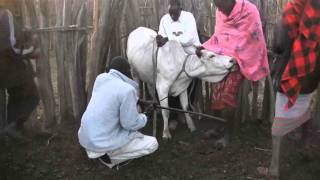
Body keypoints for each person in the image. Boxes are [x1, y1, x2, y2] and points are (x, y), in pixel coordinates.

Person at [258, 0, 320, 178]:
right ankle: (305, 147)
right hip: (312, 78)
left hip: (292, 75)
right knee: (307, 109)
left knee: (279, 125)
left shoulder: (293, 10)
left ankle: (274, 168)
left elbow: (278, 44)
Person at [199, 0, 270, 147]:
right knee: (216, 95)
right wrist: (204, 48)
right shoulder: (220, 12)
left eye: (220, 5)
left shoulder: (249, 11)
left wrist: (238, 57)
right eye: (216, 6)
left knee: (228, 98)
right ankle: (217, 128)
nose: (219, 9)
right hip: (222, 61)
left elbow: (253, 38)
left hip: (239, 62)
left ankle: (227, 134)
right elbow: (219, 37)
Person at [78, 56, 158, 169]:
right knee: (152, 143)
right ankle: (110, 159)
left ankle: (96, 153)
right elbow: (130, 124)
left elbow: (114, 97)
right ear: (127, 72)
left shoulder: (100, 79)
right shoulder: (127, 90)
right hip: (100, 142)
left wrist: (140, 101)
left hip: (86, 138)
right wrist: (146, 116)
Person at [0, 5, 39, 140]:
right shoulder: (5, 13)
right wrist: (31, 49)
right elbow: (10, 47)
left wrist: (21, 32)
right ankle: (12, 127)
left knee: (14, 98)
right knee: (32, 96)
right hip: (9, 69)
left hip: (7, 69)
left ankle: (9, 132)